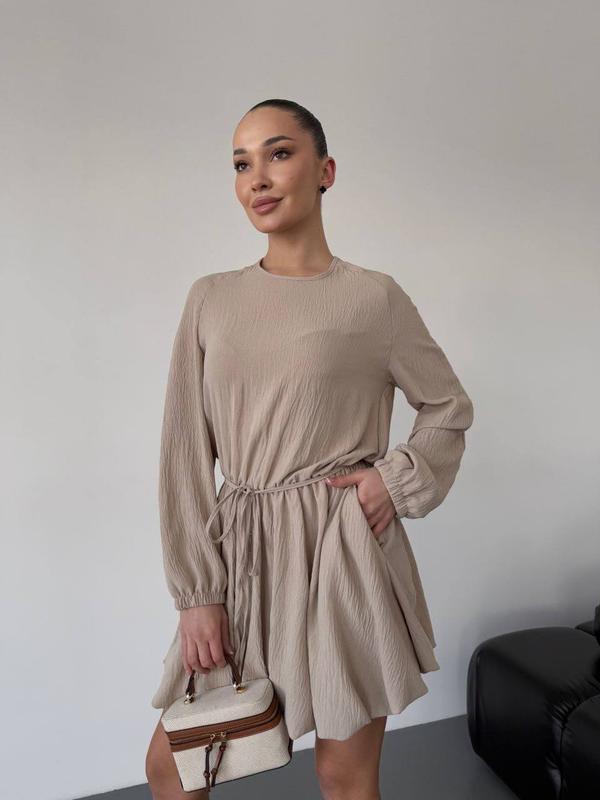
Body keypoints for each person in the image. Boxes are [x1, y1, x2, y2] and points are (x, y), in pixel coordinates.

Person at [145, 98, 474, 800]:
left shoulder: (374, 299)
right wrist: (197, 593)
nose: (257, 178)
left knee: (343, 775)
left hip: (342, 554)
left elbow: (447, 406)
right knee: (175, 768)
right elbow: (183, 452)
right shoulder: (211, 299)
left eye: (278, 153)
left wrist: (394, 480)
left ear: (325, 171)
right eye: (241, 164)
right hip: (243, 556)